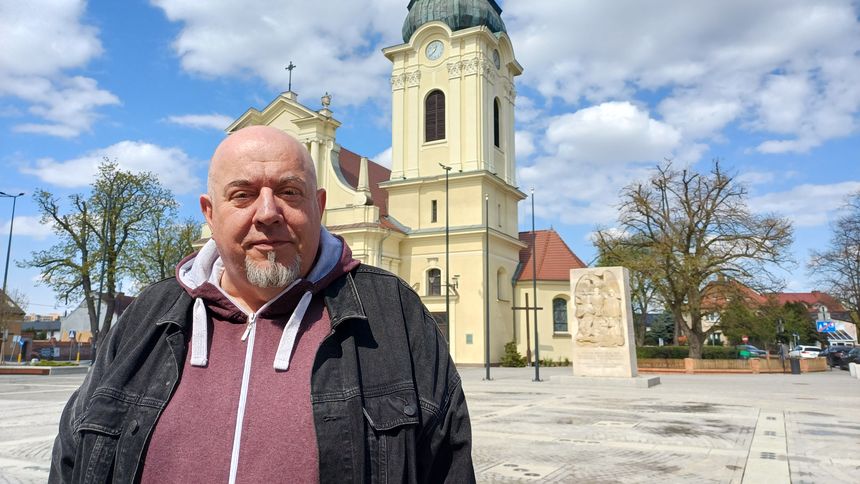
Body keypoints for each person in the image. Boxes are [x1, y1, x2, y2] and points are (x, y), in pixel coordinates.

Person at [49, 126, 475, 483]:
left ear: (319, 206)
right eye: (242, 195)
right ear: (209, 213)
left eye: (290, 192)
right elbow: (73, 457)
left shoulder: (391, 314)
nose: (268, 212)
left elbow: (447, 465)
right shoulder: (149, 313)